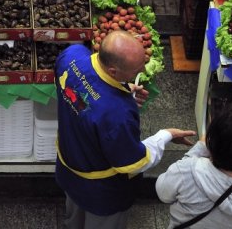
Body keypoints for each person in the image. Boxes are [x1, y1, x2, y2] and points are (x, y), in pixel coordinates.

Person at [55, 31, 196, 228]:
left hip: (69, 166)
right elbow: (133, 161)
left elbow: (82, 98)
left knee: (74, 217)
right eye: (136, 70)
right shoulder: (117, 114)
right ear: (113, 71)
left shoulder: (72, 55)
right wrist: (166, 135)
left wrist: (119, 89)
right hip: (100, 191)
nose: (142, 71)